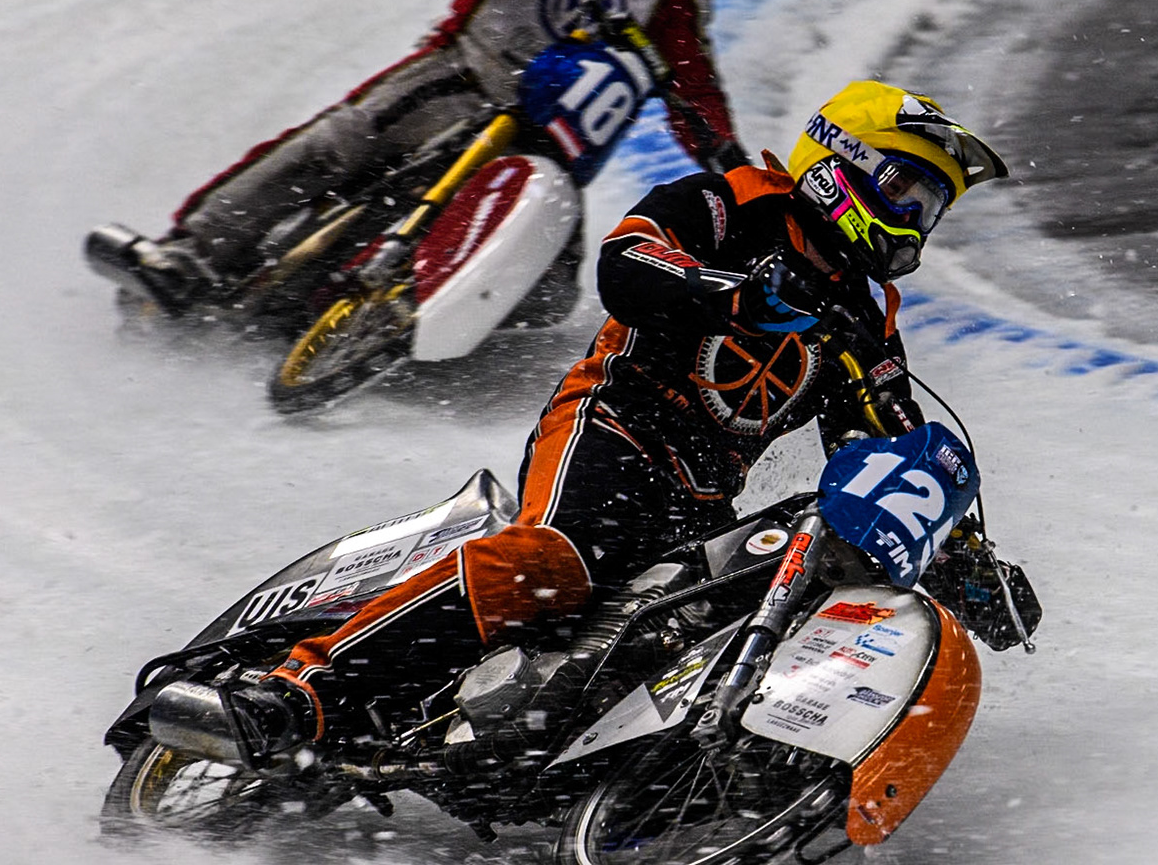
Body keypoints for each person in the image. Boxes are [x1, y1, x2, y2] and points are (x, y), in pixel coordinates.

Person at [208, 80, 1027, 763]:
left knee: (693, 625)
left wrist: (957, 552)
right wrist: (732, 291)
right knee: (555, 563)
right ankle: (300, 689)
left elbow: (881, 441)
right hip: (613, 427)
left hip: (702, 494)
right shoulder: (733, 202)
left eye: (931, 208)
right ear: (843, 167)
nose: (917, 219)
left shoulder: (866, 311)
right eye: (908, 192)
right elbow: (626, 265)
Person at [88, 0, 745, 315]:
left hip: (553, 145)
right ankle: (190, 254)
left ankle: (413, 320)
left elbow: (691, 78)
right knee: (337, 144)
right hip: (463, 76)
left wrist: (728, 161)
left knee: (548, 299)